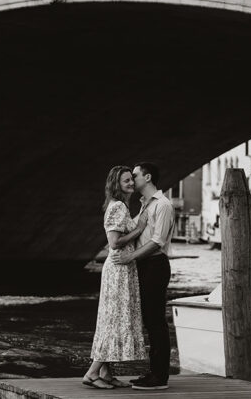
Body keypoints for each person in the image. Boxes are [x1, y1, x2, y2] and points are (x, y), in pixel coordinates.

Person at [82, 166, 148, 390]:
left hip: (122, 268)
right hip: (118, 269)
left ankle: (106, 373)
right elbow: (113, 242)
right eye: (126, 181)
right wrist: (139, 229)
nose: (131, 183)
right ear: (116, 184)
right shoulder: (118, 206)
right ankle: (92, 373)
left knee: (112, 317)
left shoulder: (121, 206)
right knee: (114, 320)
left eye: (131, 179)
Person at [113, 163, 175, 391]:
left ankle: (160, 377)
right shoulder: (143, 206)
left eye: (136, 176)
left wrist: (130, 258)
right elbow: (138, 234)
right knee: (150, 320)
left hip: (156, 265)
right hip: (145, 266)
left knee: (156, 321)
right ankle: (154, 372)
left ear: (147, 177)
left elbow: (157, 241)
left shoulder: (163, 205)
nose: (132, 179)